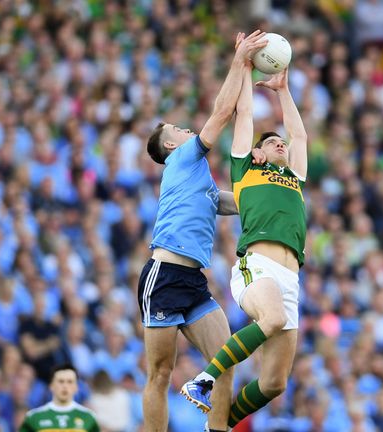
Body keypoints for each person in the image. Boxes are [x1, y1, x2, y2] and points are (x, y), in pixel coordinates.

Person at [139, 30, 268, 432]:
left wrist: (271, 195)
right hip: (164, 274)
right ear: (171, 148)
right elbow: (221, 114)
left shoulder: (200, 181)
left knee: (224, 362)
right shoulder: (182, 161)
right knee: (161, 374)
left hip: (193, 279)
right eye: (176, 130)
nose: (184, 130)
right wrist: (240, 61)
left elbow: (232, 202)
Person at [181, 61, 308, 430]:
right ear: (258, 152)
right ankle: (204, 380)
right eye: (271, 142)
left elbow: (299, 137)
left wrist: (283, 90)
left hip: (290, 279)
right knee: (272, 319)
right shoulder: (246, 171)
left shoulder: (295, 178)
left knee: (273, 383)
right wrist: (248, 68)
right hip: (258, 265)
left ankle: (219, 426)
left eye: (279, 140)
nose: (280, 142)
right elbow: (245, 112)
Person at [18, 364, 99, 431]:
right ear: (51, 385)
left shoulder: (88, 417)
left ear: (76, 387)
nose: (65, 386)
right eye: (60, 381)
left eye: (69, 382)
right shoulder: (34, 417)